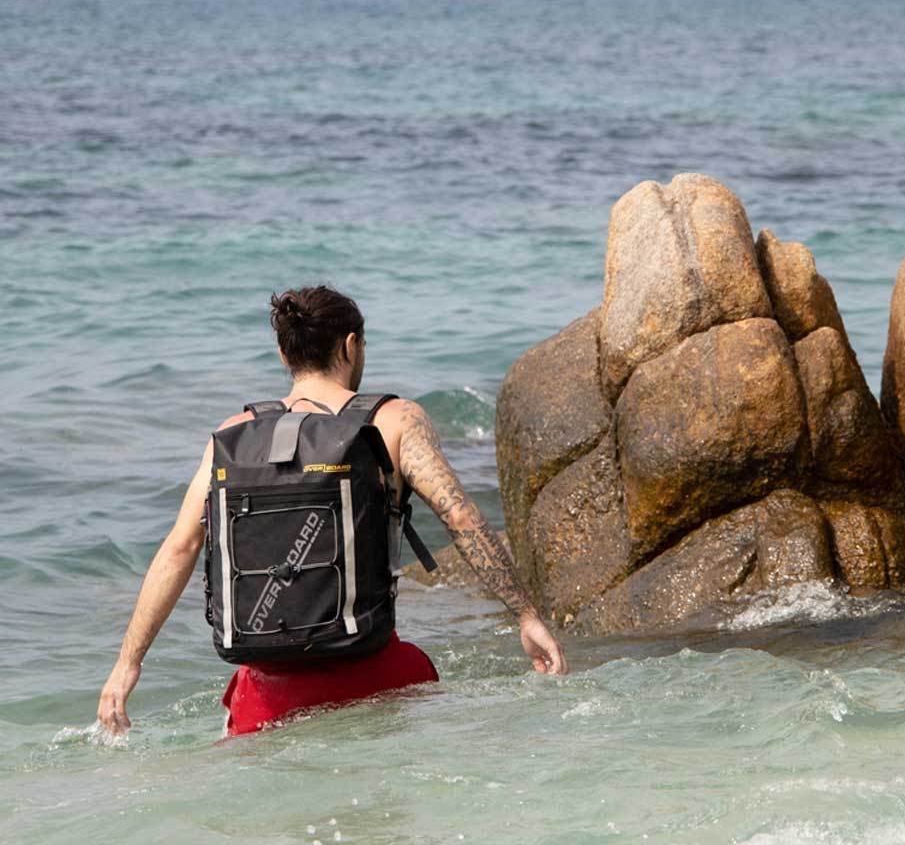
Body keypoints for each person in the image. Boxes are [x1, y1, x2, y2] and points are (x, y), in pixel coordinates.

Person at [97, 285, 566, 736]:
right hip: (377, 675)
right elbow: (459, 517)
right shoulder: (395, 420)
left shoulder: (234, 434)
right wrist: (526, 616)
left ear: (284, 355)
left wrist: (127, 664)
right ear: (351, 345)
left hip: (264, 701)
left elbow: (181, 547)